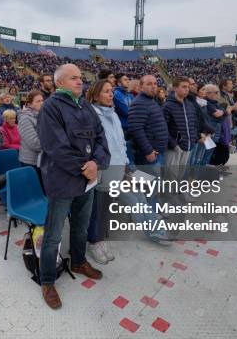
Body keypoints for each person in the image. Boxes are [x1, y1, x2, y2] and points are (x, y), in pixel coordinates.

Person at [37, 63, 110, 310]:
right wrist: (87, 167)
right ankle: (47, 280)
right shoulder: (50, 108)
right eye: (73, 78)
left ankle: (78, 261)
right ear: (59, 83)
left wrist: (96, 162)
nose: (80, 82)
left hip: (86, 181)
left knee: (80, 227)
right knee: (54, 234)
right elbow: (56, 148)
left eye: (81, 78)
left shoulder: (85, 105)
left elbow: (101, 138)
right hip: (63, 181)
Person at [87, 80, 170, 263]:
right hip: (105, 170)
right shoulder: (91, 115)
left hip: (121, 166)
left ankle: (156, 229)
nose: (111, 94)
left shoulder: (114, 115)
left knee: (140, 195)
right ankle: (95, 243)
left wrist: (126, 165)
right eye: (106, 91)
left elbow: (120, 144)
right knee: (109, 208)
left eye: (111, 91)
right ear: (95, 95)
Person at [163, 76, 205, 168]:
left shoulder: (190, 105)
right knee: (171, 178)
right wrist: (174, 145)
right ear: (175, 88)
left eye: (188, 87)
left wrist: (195, 138)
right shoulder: (167, 106)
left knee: (180, 176)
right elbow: (163, 129)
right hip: (174, 148)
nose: (187, 89)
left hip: (188, 146)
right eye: (183, 87)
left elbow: (193, 124)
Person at [129, 75, 169, 166]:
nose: (154, 86)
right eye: (149, 84)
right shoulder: (139, 103)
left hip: (157, 151)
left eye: (155, 83)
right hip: (150, 154)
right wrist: (148, 151)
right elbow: (136, 129)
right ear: (141, 87)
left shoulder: (151, 101)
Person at [17, 90, 44, 183]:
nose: (42, 103)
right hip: (30, 162)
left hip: (42, 160)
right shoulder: (25, 119)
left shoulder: (43, 116)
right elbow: (35, 143)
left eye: (42, 100)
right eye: (38, 101)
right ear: (29, 104)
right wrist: (53, 143)